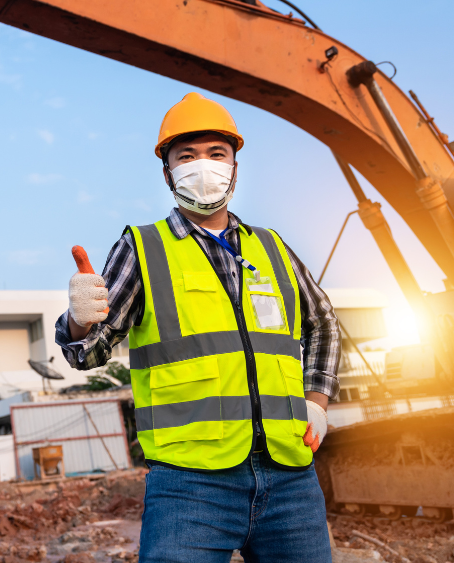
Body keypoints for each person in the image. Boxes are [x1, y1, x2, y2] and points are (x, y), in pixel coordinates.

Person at [54, 92, 341, 563]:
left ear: (234, 166)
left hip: (290, 477)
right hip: (190, 483)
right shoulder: (143, 247)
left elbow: (323, 322)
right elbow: (88, 353)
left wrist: (317, 401)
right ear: (167, 173)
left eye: (216, 154)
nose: (202, 166)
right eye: (186, 156)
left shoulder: (271, 247)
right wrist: (79, 320)